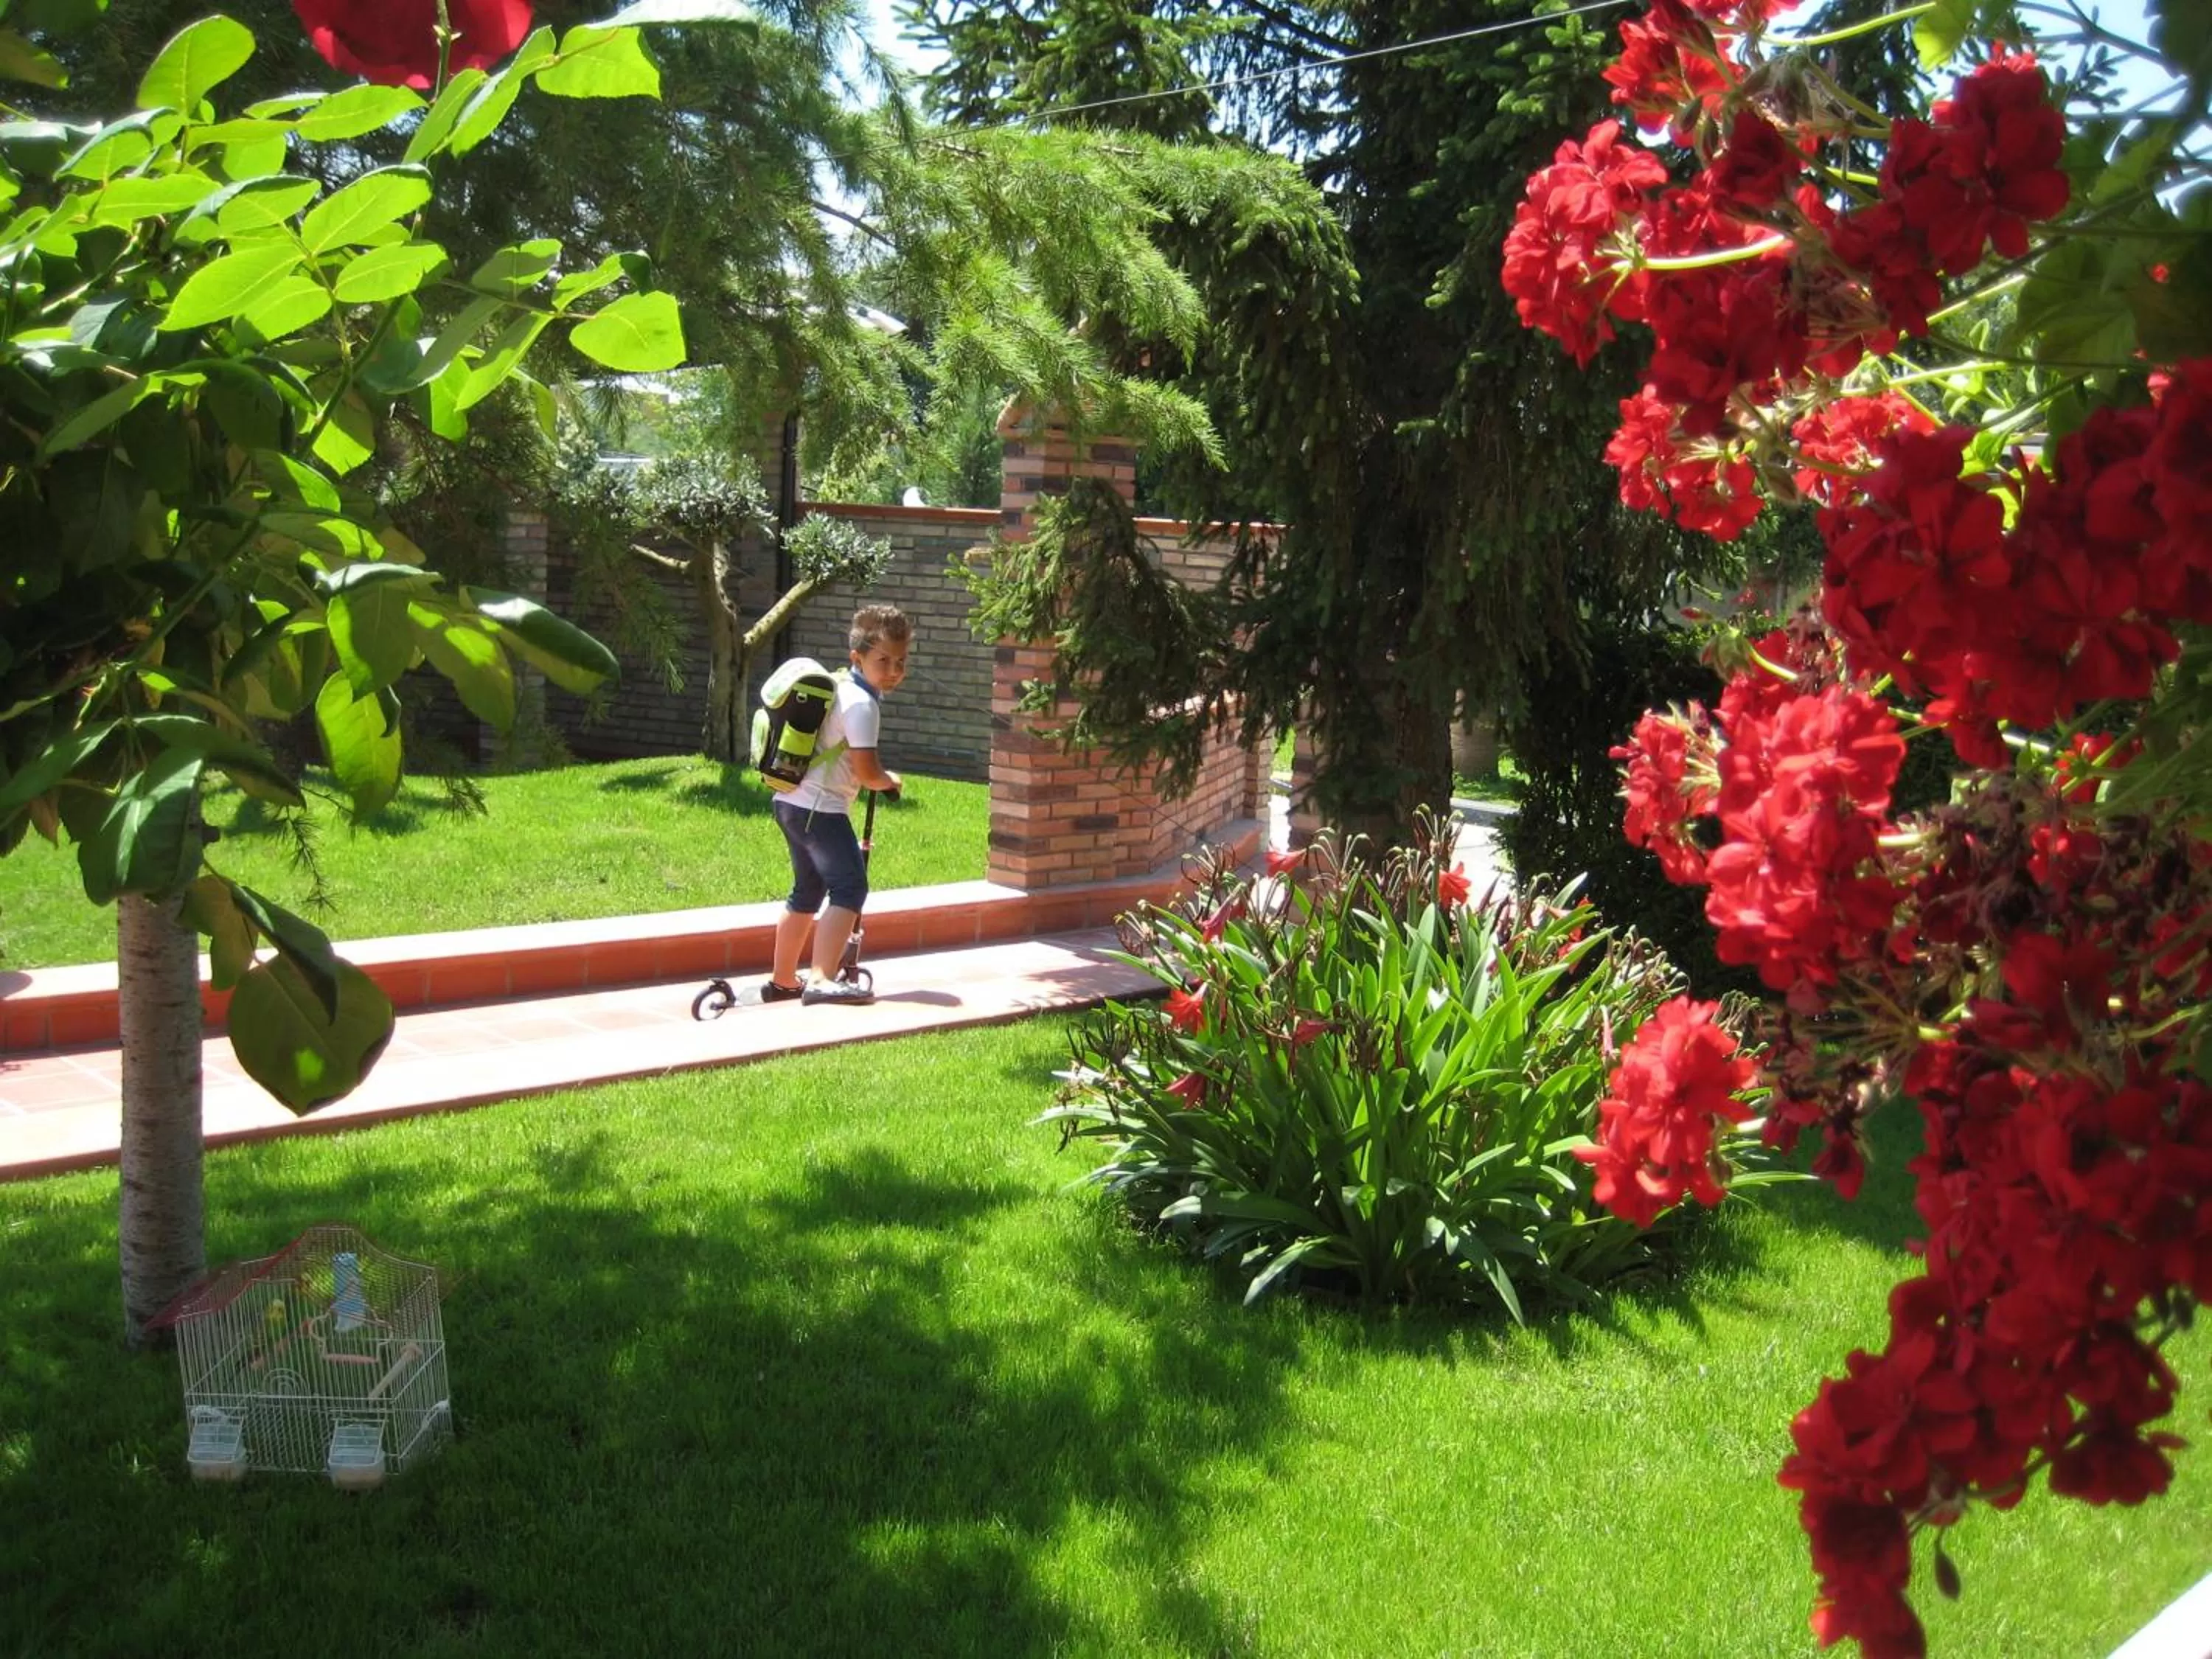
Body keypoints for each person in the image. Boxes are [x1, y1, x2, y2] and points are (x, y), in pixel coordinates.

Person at [763, 604, 909, 1006]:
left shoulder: (840, 685)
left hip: (789, 802)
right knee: (850, 887)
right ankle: (822, 980)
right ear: (857, 658)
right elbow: (867, 771)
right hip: (820, 811)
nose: (894, 670)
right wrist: (890, 782)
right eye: (883, 661)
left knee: (807, 890)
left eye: (901, 661)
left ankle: (783, 981)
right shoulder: (863, 704)